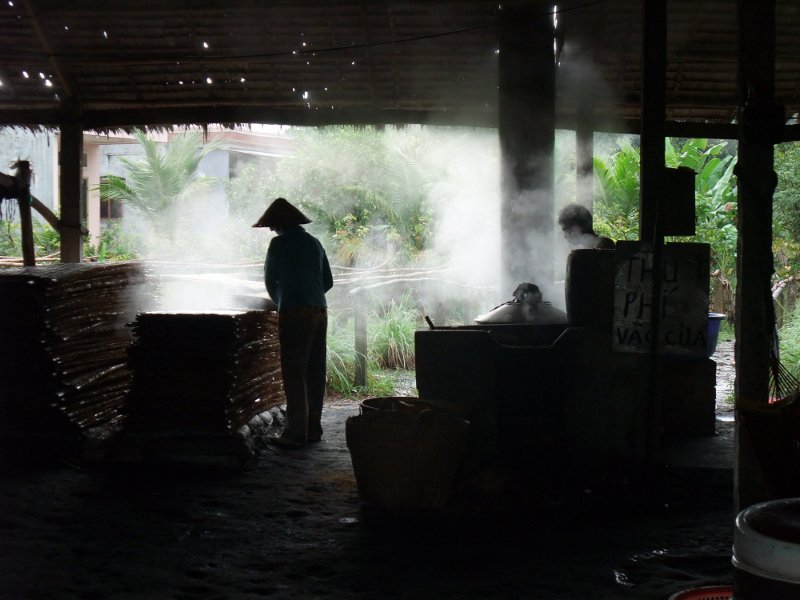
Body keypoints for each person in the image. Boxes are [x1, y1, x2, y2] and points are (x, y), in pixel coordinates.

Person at [253, 197, 334, 449]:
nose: (270, 229)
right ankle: (313, 429)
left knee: (294, 372)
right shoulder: (315, 243)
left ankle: (295, 433)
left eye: (272, 224)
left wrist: (282, 302)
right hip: (320, 311)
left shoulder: (278, 245)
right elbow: (328, 282)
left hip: (294, 314)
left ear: (279, 224)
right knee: (315, 371)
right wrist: (311, 294)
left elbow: (270, 281)